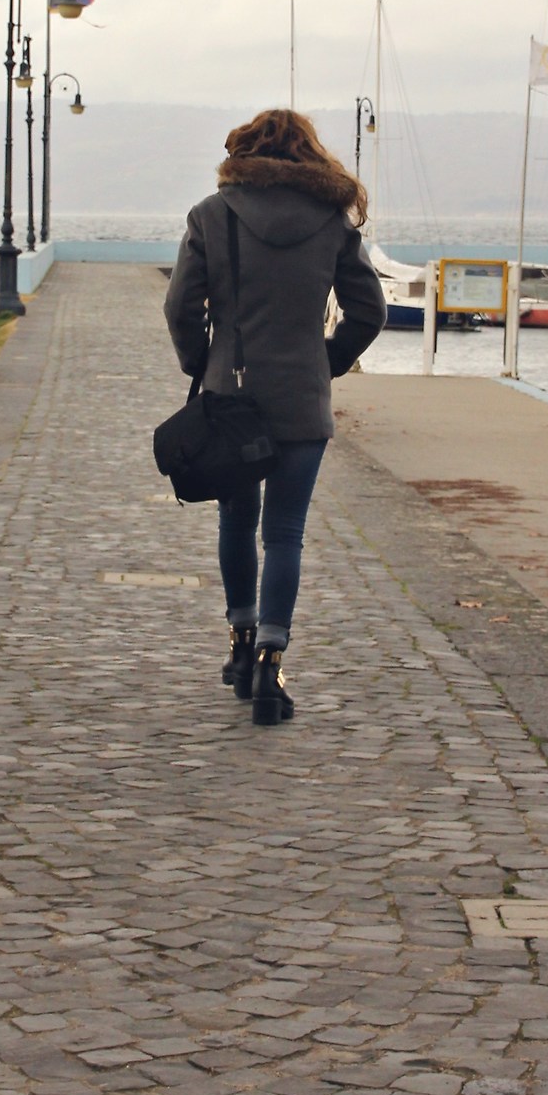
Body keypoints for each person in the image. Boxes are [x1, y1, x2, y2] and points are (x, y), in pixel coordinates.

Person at [164, 107, 387, 726]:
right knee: (285, 533)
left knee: (238, 522)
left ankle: (238, 645)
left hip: (231, 396)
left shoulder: (212, 216)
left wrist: (201, 364)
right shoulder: (332, 222)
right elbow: (369, 312)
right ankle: (270, 661)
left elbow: (180, 306)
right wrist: (329, 361)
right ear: (310, 156)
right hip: (301, 399)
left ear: (244, 152)